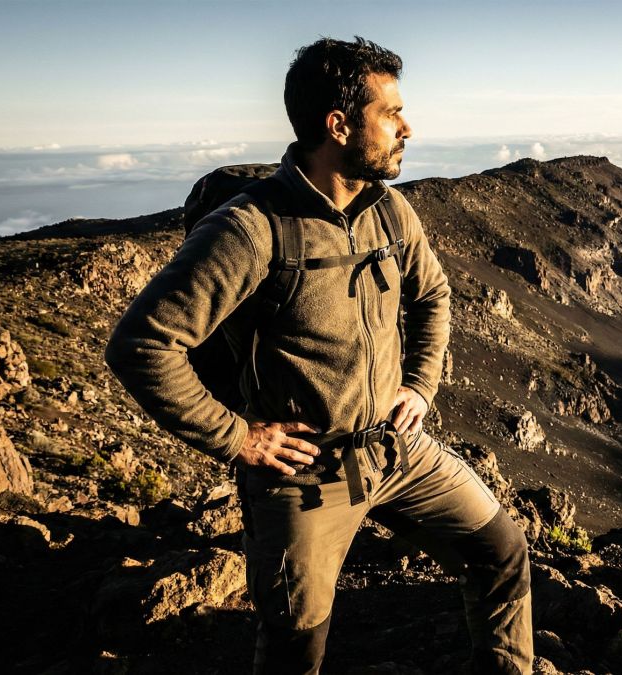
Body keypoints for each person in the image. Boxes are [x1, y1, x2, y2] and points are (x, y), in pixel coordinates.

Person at [105, 36, 533, 675]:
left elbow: (433, 294)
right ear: (338, 125)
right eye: (390, 114)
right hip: (303, 480)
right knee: (296, 648)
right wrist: (239, 440)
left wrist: (418, 386)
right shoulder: (249, 231)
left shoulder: (389, 212)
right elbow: (141, 344)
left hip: (396, 448)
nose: (406, 127)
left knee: (502, 553)